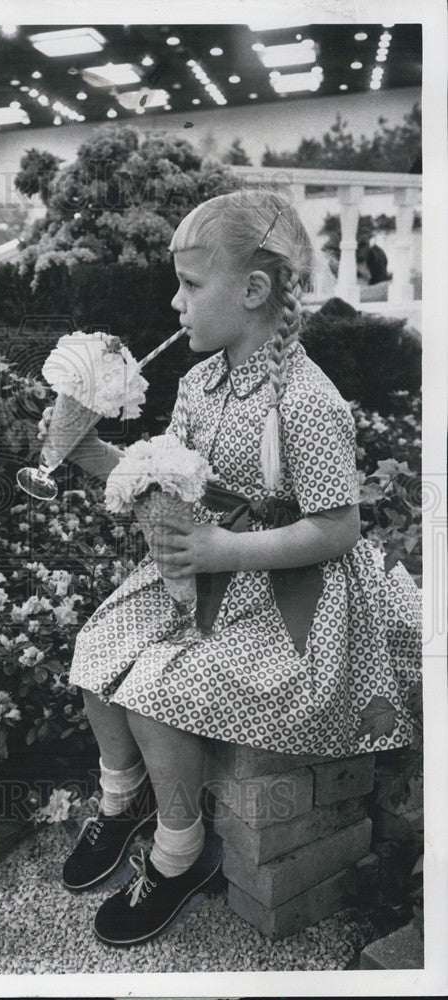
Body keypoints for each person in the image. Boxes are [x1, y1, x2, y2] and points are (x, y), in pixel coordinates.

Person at [44, 189, 422, 947]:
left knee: (157, 686)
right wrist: (81, 446)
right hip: (212, 574)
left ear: (252, 291)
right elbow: (162, 472)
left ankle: (179, 851)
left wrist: (224, 551)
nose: (173, 301)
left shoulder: (308, 402)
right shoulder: (199, 384)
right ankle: (123, 805)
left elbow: (338, 527)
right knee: (96, 647)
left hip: (292, 597)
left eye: (189, 284)